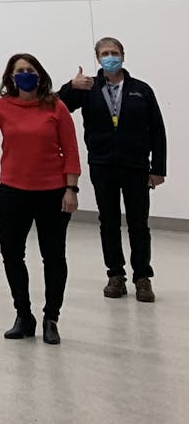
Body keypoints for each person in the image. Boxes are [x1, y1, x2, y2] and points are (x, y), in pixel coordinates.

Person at [0, 54, 80, 345]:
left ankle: (51, 318)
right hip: (13, 192)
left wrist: (71, 190)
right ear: (11, 77)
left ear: (40, 74)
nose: (25, 74)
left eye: (30, 70)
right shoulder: (2, 105)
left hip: (52, 193)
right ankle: (24, 315)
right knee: (12, 255)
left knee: (54, 257)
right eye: (19, 71)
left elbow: (71, 151)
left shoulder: (55, 105)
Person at [58, 37, 166, 302]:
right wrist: (71, 86)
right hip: (102, 165)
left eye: (114, 52)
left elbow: (158, 130)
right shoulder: (87, 88)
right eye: (105, 53)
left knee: (139, 224)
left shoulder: (141, 89)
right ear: (97, 58)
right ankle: (115, 275)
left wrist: (158, 168)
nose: (110, 57)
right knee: (108, 222)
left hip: (136, 167)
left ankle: (142, 277)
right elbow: (57, 106)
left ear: (123, 56)